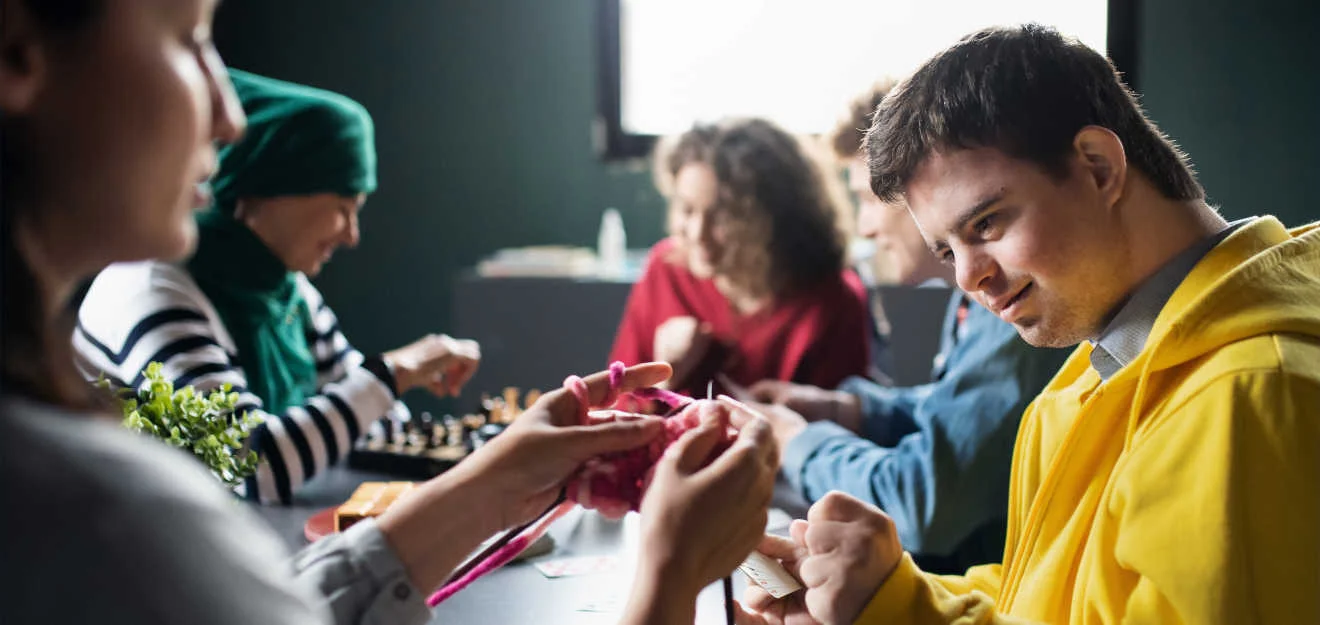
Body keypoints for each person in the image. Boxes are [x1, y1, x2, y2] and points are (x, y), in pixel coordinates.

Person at [0, 2, 777, 624]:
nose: (230, 118)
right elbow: (263, 460)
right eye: (186, 38)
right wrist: (671, 574)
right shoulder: (99, 518)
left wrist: (490, 479)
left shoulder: (89, 484)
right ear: (18, 52)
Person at [736, 24, 1320, 624]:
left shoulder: (1250, 393)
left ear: (1098, 167)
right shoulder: (1100, 369)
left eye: (986, 225)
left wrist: (898, 608)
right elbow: (1048, 597)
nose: (968, 278)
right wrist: (880, 596)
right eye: (946, 252)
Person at [74, 68, 481, 505]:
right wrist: (396, 372)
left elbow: (367, 420)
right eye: (343, 207)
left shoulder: (287, 289)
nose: (351, 235)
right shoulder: (152, 289)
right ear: (270, 189)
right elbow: (249, 467)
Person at [745, 80, 1071, 573]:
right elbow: (960, 414)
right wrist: (850, 410)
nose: (865, 228)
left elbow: (923, 503)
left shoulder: (1011, 305)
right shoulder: (968, 300)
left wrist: (796, 443)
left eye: (870, 200)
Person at [609, 118, 871, 398]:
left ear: (772, 218)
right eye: (686, 210)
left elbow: (840, 431)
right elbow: (619, 409)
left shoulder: (832, 301)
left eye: (723, 216)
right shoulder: (665, 270)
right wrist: (663, 377)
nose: (698, 233)